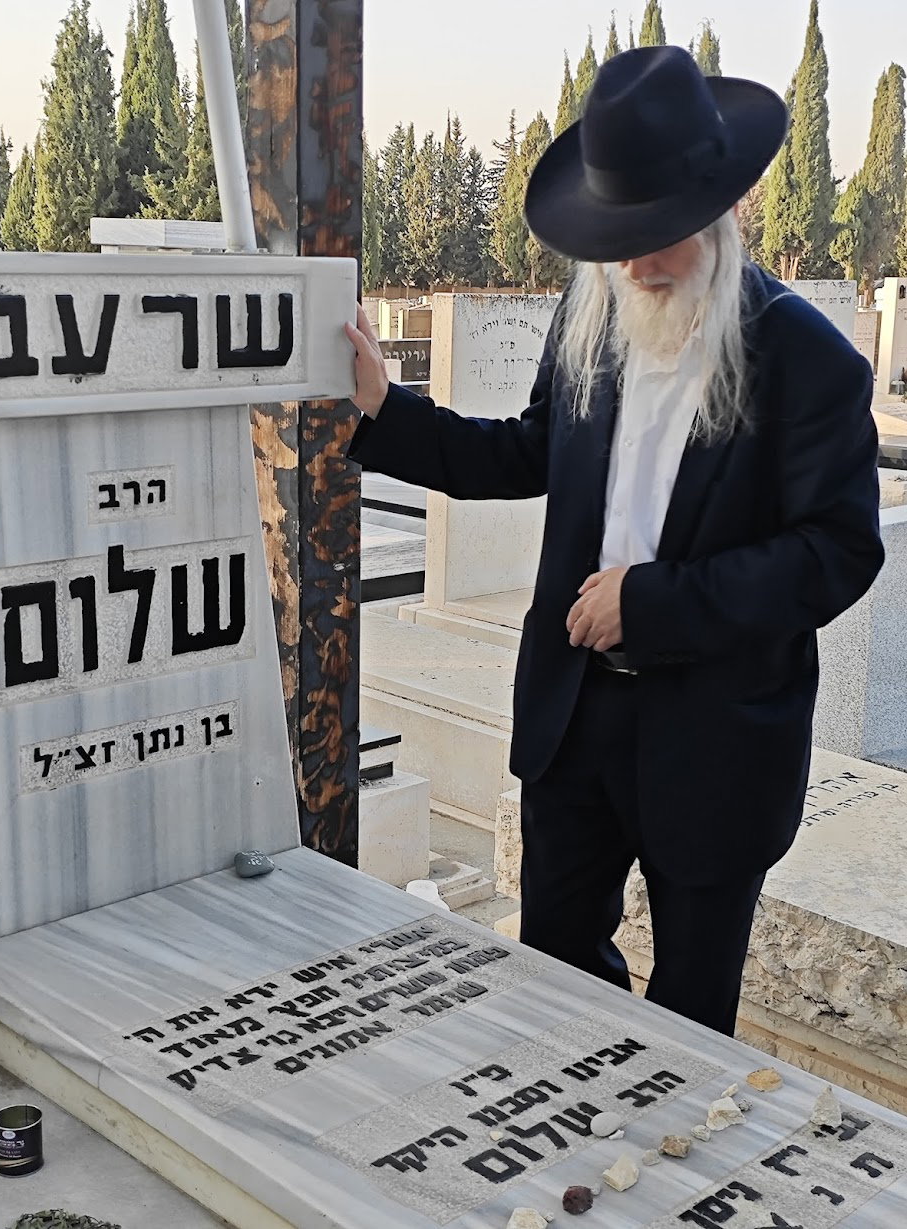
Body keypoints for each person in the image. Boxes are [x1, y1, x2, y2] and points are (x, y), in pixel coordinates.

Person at [344, 46, 884, 1036]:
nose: (636, 264)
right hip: (576, 717)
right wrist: (387, 412)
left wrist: (652, 600)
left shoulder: (809, 361)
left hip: (717, 737)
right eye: (616, 236)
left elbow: (837, 552)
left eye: (657, 234)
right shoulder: (590, 313)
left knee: (688, 1022)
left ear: (725, 206)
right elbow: (527, 451)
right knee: (556, 992)